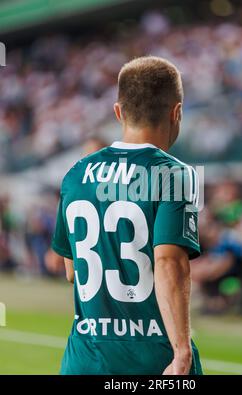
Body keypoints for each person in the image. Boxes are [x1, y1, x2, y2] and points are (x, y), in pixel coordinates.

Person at [52, 56, 202, 375]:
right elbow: (169, 262)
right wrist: (181, 352)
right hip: (150, 357)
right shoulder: (173, 174)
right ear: (176, 113)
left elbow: (71, 269)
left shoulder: (75, 174)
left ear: (118, 112)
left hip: (84, 357)